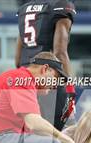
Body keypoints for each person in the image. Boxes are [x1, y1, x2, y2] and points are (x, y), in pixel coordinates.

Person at [15, 0, 76, 131]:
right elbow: (60, 52)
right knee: (63, 133)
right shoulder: (60, 6)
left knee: (30, 134)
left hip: (25, 78)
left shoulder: (25, 8)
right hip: (47, 78)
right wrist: (69, 90)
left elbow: (18, 58)